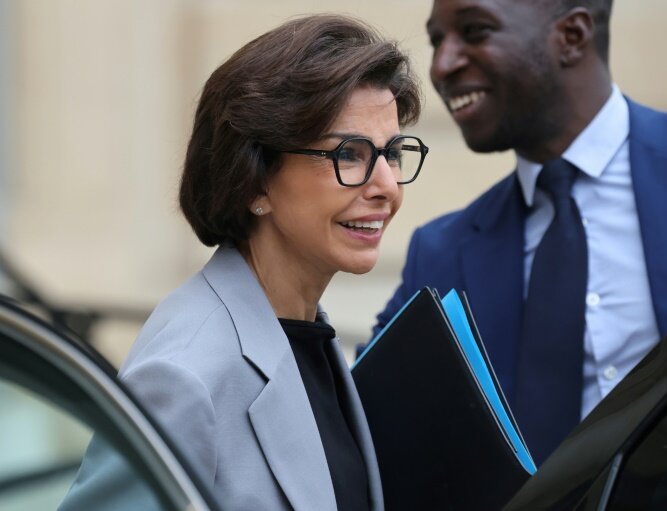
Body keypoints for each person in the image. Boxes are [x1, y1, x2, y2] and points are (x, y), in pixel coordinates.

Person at [374, 0, 667, 465]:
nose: (442, 65)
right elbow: (365, 417)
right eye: (438, 40)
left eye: (474, 31)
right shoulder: (440, 253)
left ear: (573, 36)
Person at [60, 14, 426, 511]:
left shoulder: (305, 334)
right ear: (254, 182)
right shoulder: (186, 373)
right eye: (349, 153)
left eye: (393, 153)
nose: (386, 186)